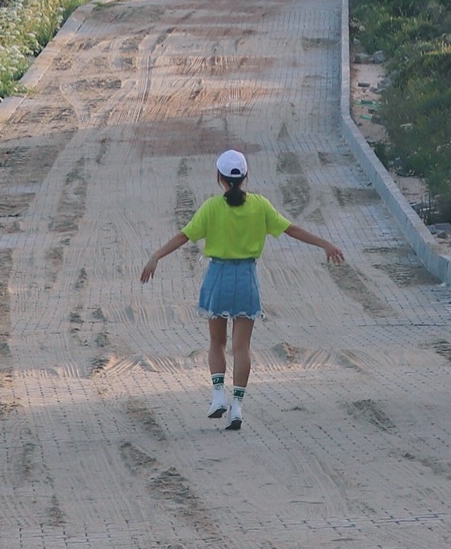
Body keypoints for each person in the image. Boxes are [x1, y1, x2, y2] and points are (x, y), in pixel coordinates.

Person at [140, 148, 345, 430]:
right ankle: (237, 406)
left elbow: (183, 236)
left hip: (219, 277)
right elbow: (291, 230)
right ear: (245, 177)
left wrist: (156, 256)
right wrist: (326, 244)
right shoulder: (260, 205)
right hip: (247, 277)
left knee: (216, 342)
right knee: (241, 347)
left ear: (219, 178)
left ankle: (217, 396)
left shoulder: (212, 207)